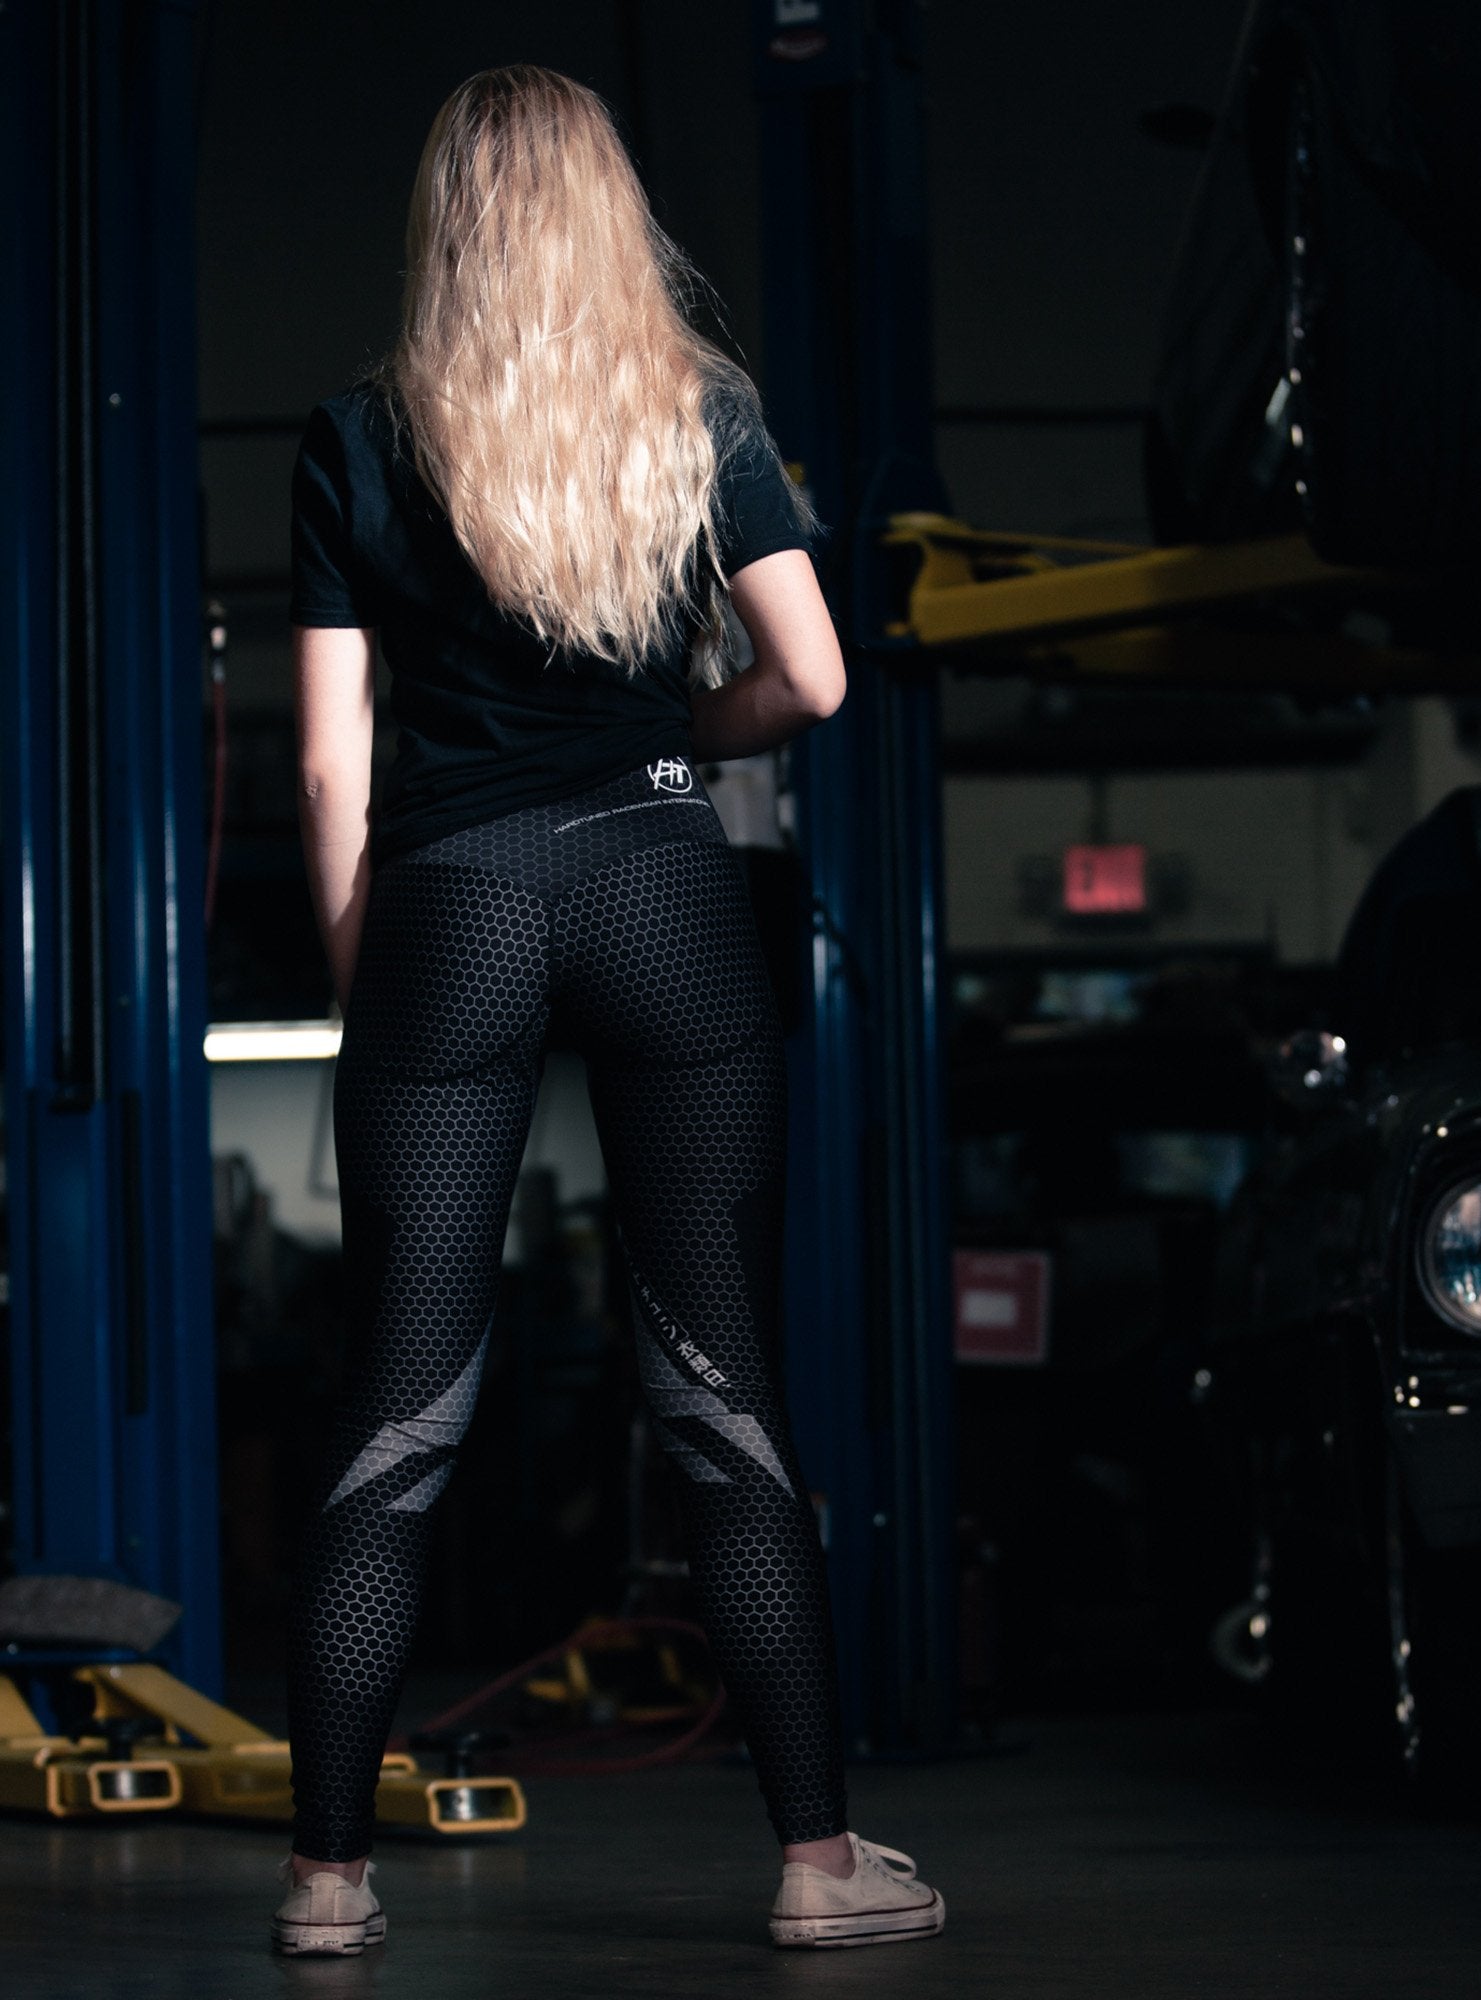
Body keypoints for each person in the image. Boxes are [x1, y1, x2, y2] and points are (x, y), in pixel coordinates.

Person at [272, 63, 944, 1957]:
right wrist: (673, 731)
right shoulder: (697, 408)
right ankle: (816, 1865)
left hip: (451, 899)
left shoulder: (354, 436)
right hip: (661, 883)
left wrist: (377, 989)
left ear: (446, 227)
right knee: (720, 1388)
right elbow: (812, 679)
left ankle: (326, 1883)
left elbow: (330, 766)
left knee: (400, 1400)